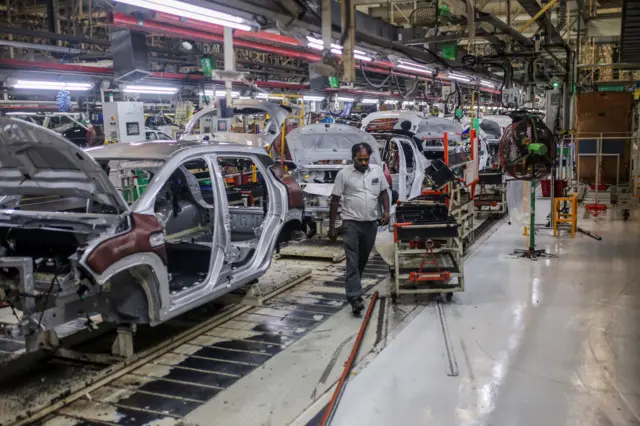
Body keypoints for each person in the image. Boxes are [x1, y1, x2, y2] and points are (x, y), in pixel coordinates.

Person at [328, 143, 390, 315]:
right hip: (351, 223)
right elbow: (334, 200)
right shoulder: (344, 174)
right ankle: (354, 297)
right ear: (352, 157)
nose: (363, 162)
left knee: (362, 259)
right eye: (359, 159)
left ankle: (354, 284)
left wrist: (386, 211)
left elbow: (384, 192)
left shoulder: (377, 170)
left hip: (371, 223)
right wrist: (332, 227)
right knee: (352, 260)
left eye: (366, 159)